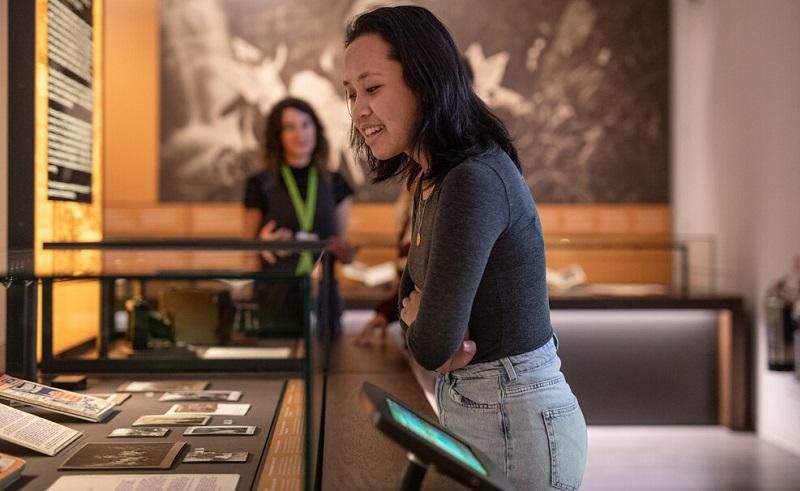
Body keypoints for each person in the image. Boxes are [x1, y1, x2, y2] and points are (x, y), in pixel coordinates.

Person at [343, 6, 587, 489]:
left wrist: (421, 320)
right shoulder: (429, 177)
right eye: (350, 94)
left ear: (425, 80)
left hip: (514, 420)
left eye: (372, 89)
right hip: (484, 409)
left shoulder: (472, 179)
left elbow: (433, 343)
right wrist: (420, 318)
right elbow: (420, 309)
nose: (357, 110)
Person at [244, 97, 354, 334]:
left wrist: (345, 251)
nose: (300, 133)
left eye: (305, 124)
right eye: (289, 127)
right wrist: (261, 244)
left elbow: (342, 247)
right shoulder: (259, 184)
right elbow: (248, 250)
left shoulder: (337, 183)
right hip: (275, 298)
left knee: (329, 367)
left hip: (324, 302)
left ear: (316, 129)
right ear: (278, 136)